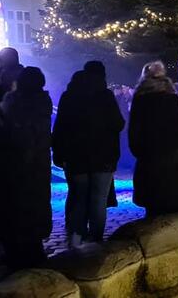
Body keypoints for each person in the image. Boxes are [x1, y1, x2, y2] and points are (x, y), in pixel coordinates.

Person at [53, 63, 124, 246]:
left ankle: (76, 237)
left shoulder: (69, 96)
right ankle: (96, 239)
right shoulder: (105, 95)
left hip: (76, 156)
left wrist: (59, 153)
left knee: (78, 197)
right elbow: (118, 123)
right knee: (98, 200)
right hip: (103, 156)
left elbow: (60, 127)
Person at [0, 67, 53, 270]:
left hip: (15, 162)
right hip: (38, 163)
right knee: (35, 203)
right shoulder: (43, 103)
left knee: (16, 205)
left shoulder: (11, 103)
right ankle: (34, 246)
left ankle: (17, 249)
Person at [129, 62, 178, 217]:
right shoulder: (172, 98)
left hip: (149, 157)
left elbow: (134, 130)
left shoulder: (140, 99)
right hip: (171, 156)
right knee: (170, 202)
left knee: (152, 204)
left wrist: (139, 151)